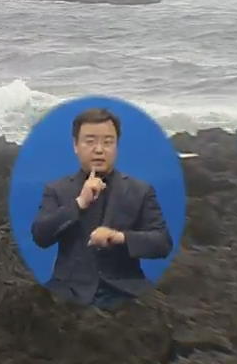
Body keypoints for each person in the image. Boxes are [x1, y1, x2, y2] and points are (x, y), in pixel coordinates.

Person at [30, 107, 173, 309]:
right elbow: (40, 236)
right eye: (90, 141)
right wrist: (79, 203)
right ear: (75, 146)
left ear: (117, 146)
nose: (99, 149)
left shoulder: (140, 190)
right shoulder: (57, 189)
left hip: (127, 291)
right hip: (68, 290)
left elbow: (162, 243)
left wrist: (119, 237)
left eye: (108, 142)